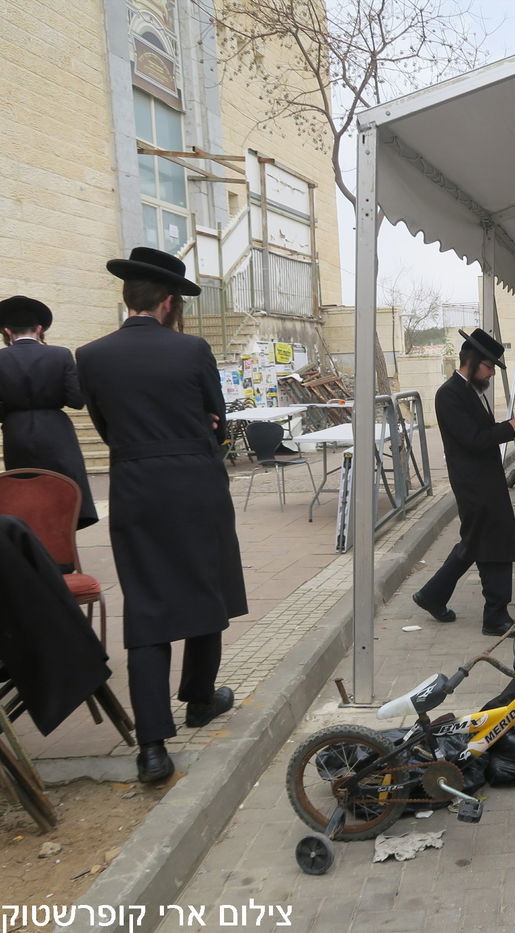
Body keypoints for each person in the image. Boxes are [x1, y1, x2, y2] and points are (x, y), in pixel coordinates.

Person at [76, 247, 245, 784]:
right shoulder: (192, 351)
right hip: (195, 484)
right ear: (170, 301)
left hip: (135, 485)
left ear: (128, 297)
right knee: (204, 587)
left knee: (147, 606)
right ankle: (198, 698)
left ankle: (152, 747)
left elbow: (103, 425)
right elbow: (218, 425)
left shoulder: (90, 355)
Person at [412, 328, 515, 635]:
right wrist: (510, 427)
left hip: (484, 479)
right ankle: (494, 616)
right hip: (473, 485)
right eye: (489, 366)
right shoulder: (449, 394)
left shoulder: (470, 391)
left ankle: (431, 595)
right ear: (474, 361)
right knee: (495, 544)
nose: (492, 373)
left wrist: (514, 428)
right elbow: (473, 440)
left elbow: (482, 430)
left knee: (476, 543)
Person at [0, 296, 99, 529]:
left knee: (26, 494)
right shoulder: (60, 354)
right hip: (56, 432)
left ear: (7, 331)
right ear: (39, 328)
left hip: (17, 433)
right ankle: (65, 551)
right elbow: (76, 400)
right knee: (64, 490)